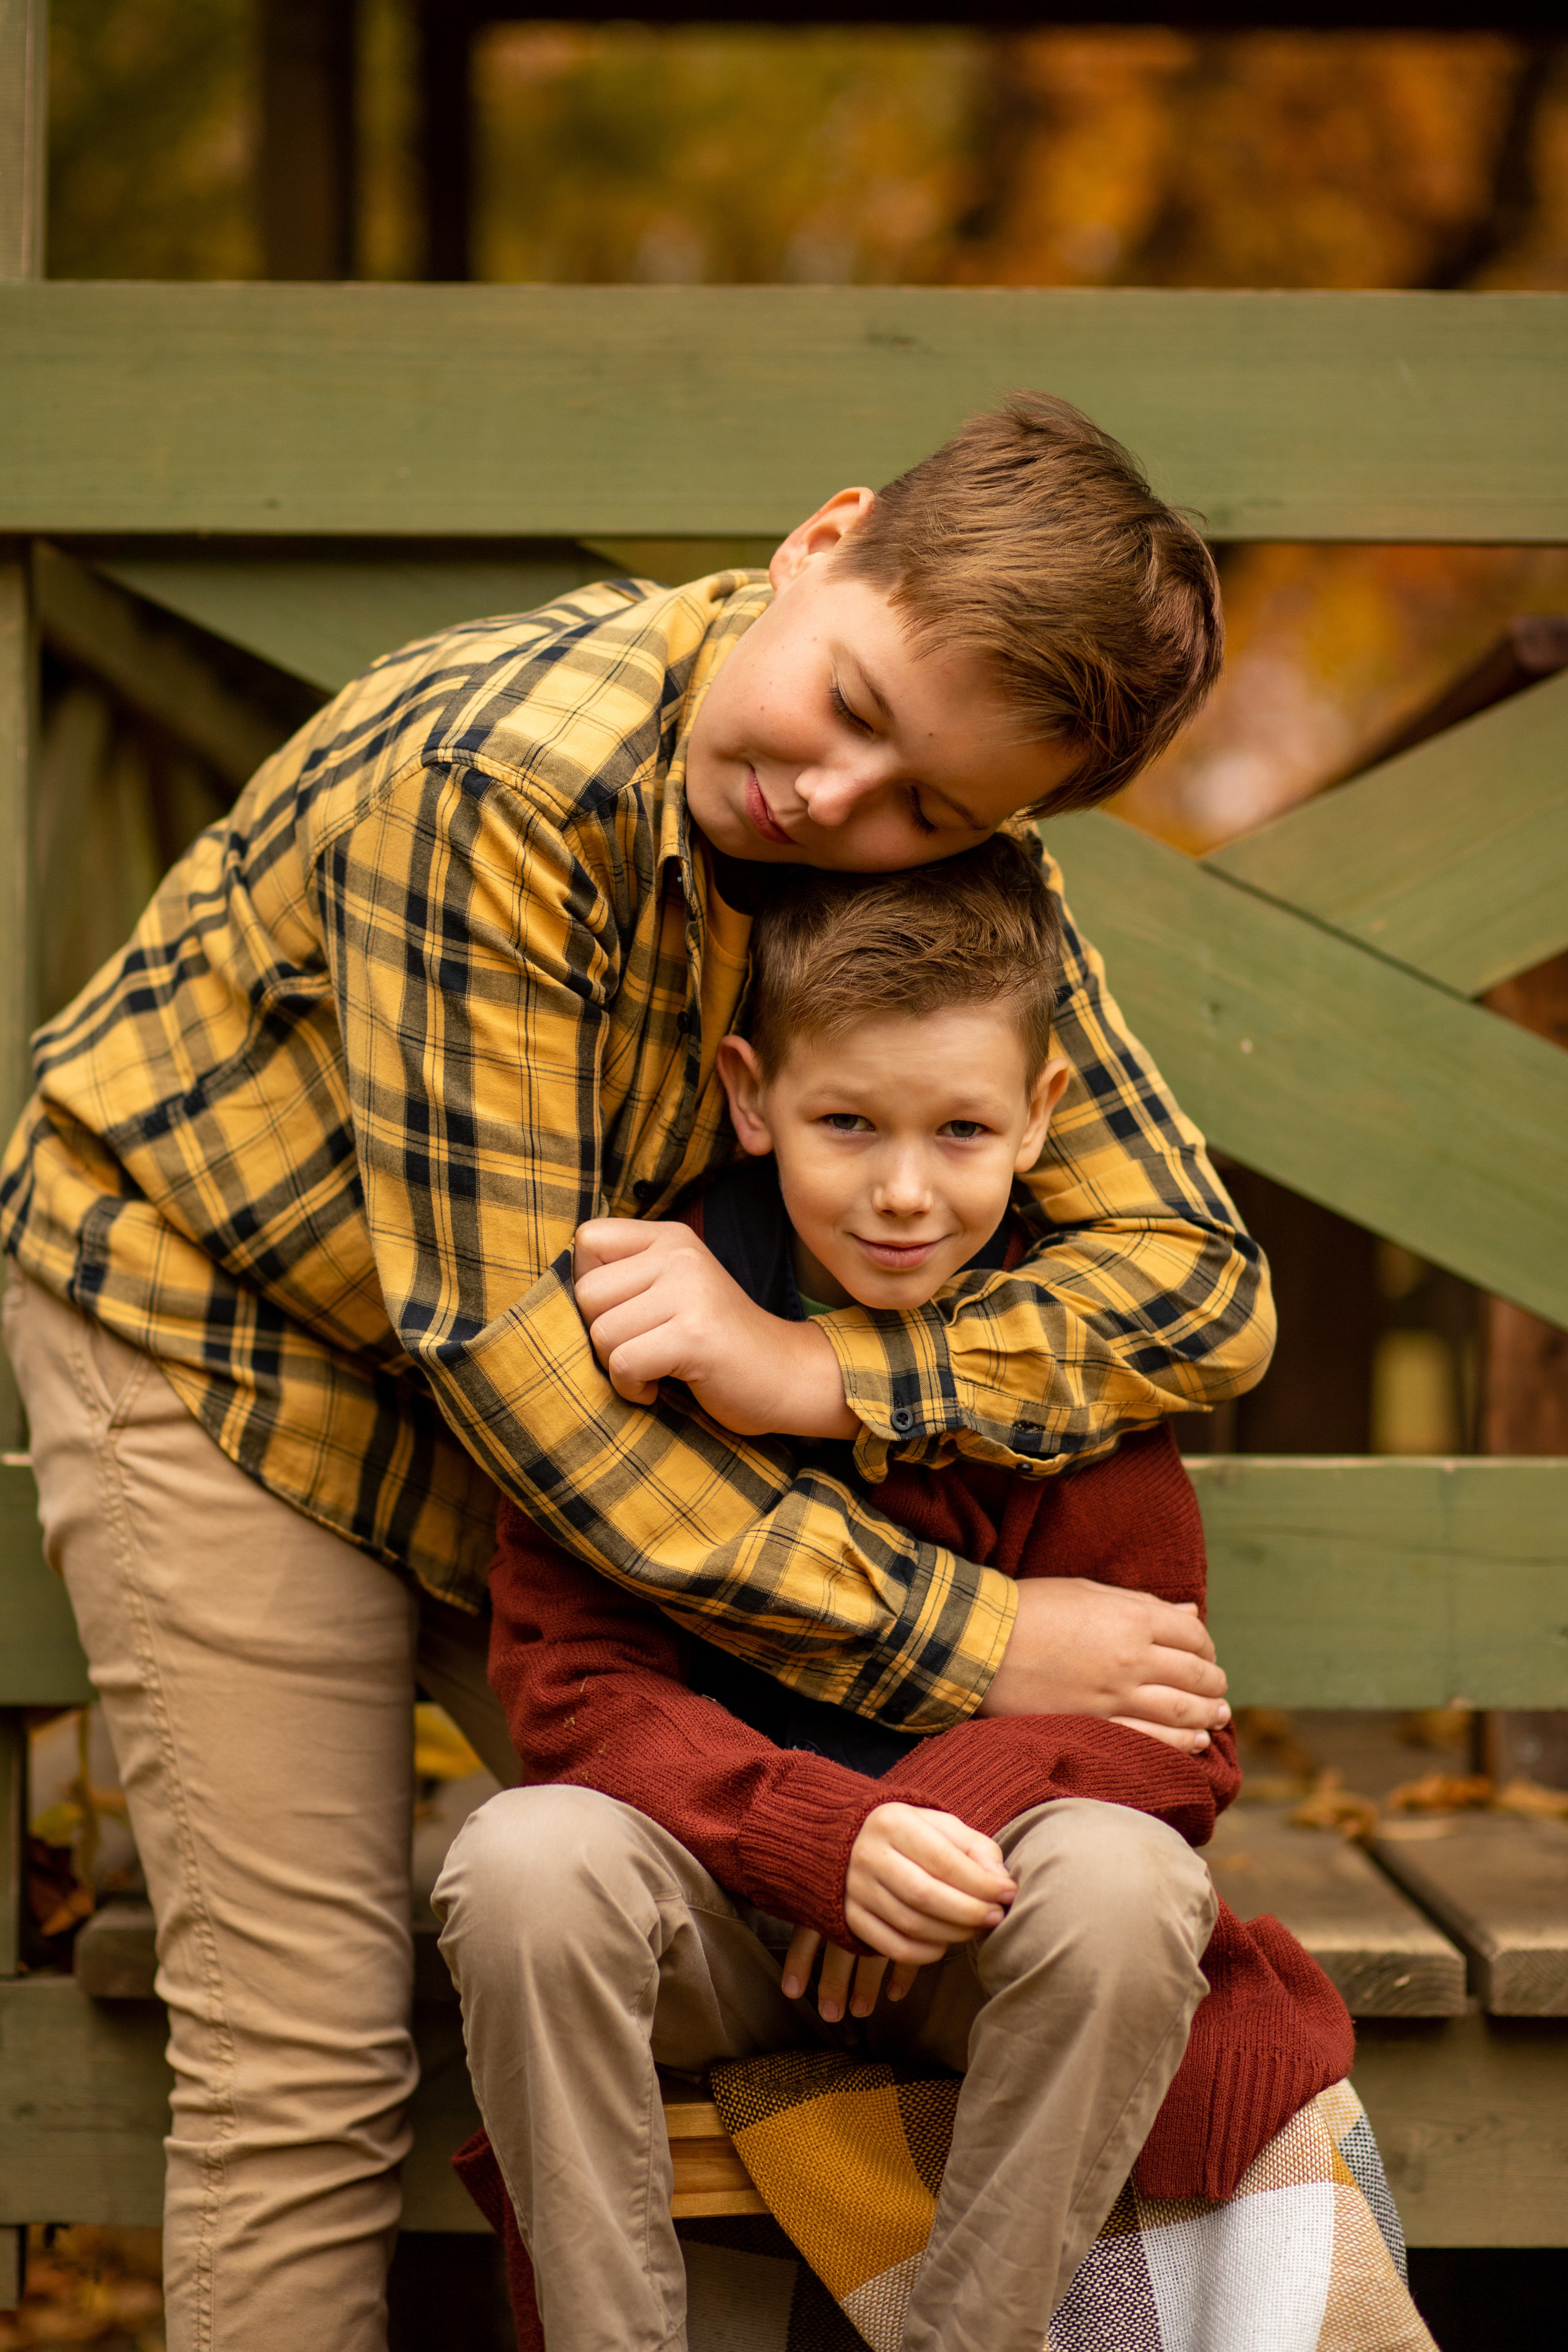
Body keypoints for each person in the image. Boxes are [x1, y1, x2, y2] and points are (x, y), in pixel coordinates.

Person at [0, 394, 1269, 2350]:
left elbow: (1199, 1290)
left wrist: (825, 1375)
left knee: (741, 1879)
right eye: (847, 708)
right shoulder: (484, 786)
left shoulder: (929, 846)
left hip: (623, 1405)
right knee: (313, 2043)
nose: (838, 809)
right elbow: (531, 1393)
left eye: (931, 806)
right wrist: (974, 1640)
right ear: (823, 541)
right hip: (238, 1338)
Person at [434, 840, 1349, 2352]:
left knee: (1128, 1890)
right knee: (527, 1860)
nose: (905, 1192)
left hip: (971, 1953)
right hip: (707, 1925)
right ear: (750, 1097)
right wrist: (811, 1836)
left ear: (1040, 1117)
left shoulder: (1074, 1346)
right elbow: (570, 1689)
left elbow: (1171, 1740)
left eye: (962, 1129)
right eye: (846, 1123)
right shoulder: (639, 1315)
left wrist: (932, 1815)